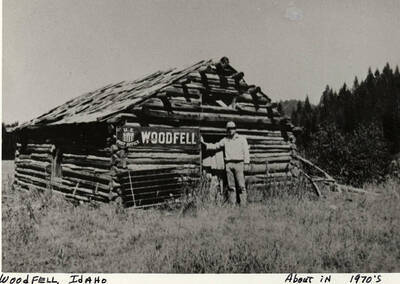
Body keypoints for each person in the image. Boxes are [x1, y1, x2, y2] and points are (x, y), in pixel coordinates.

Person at [201, 121, 250, 205]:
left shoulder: (242, 139)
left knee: (241, 185)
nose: (230, 130)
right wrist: (205, 144)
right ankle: (232, 204)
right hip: (228, 164)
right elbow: (216, 146)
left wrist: (246, 163)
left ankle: (243, 204)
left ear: (235, 129)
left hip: (239, 163)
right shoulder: (225, 140)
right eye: (229, 129)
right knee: (231, 186)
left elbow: (246, 151)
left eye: (232, 128)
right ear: (226, 130)